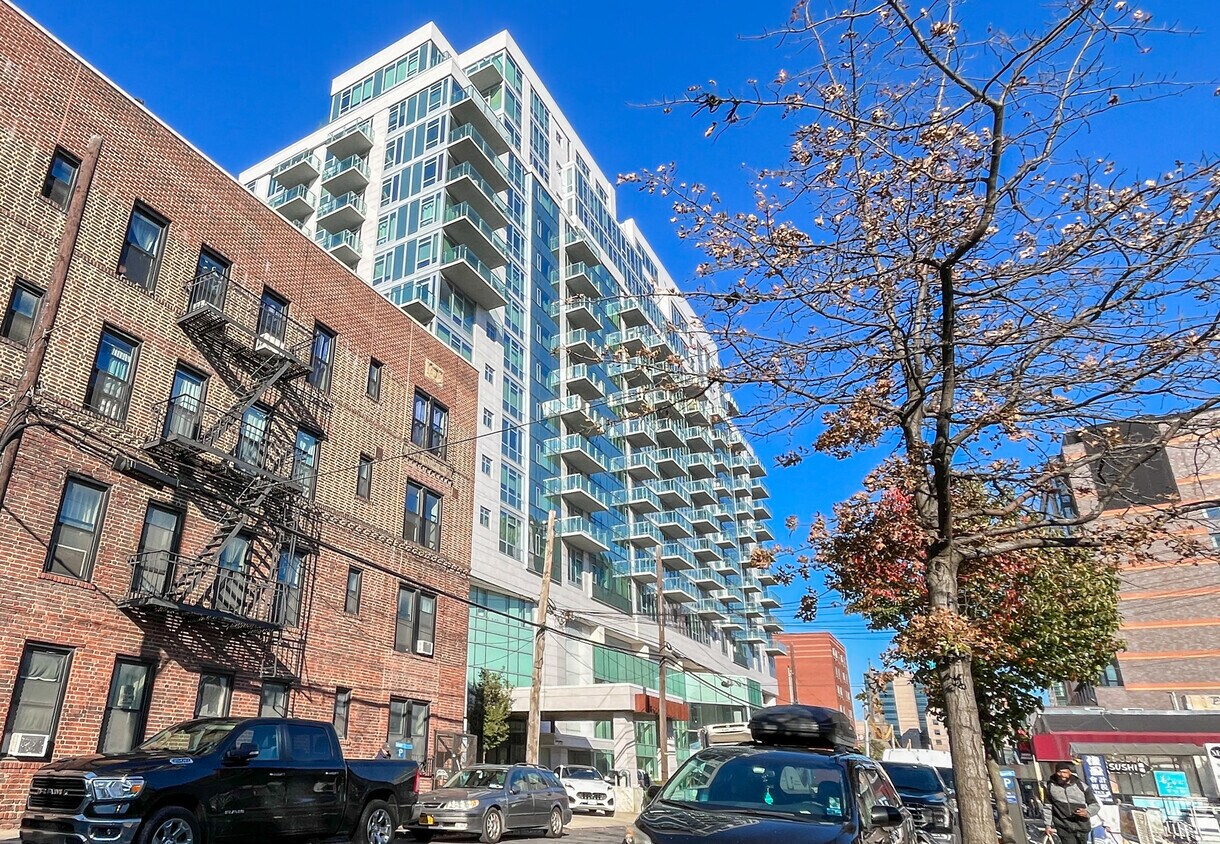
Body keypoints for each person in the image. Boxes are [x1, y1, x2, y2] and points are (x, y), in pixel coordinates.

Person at [1043, 763, 1100, 844]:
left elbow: (1095, 805)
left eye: (1064, 772)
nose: (1061, 775)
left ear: (1070, 772)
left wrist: (1087, 812)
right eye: (1059, 772)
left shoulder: (1081, 785)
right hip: (1063, 826)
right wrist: (1047, 825)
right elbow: (1047, 807)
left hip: (1081, 825)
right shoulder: (1050, 786)